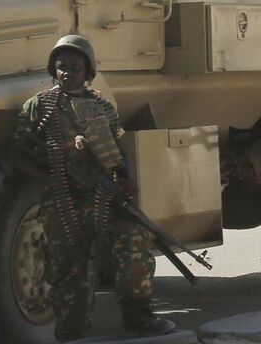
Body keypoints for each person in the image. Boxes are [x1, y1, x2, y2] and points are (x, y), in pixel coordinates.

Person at [14, 35, 175, 341]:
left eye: (75, 67)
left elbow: (116, 148)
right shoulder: (38, 107)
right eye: (61, 67)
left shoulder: (102, 106)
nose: (67, 72)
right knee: (67, 271)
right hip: (62, 203)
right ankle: (72, 333)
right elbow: (16, 154)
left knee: (133, 243)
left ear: (88, 71)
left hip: (103, 196)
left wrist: (125, 178)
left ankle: (138, 318)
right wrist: (47, 177)